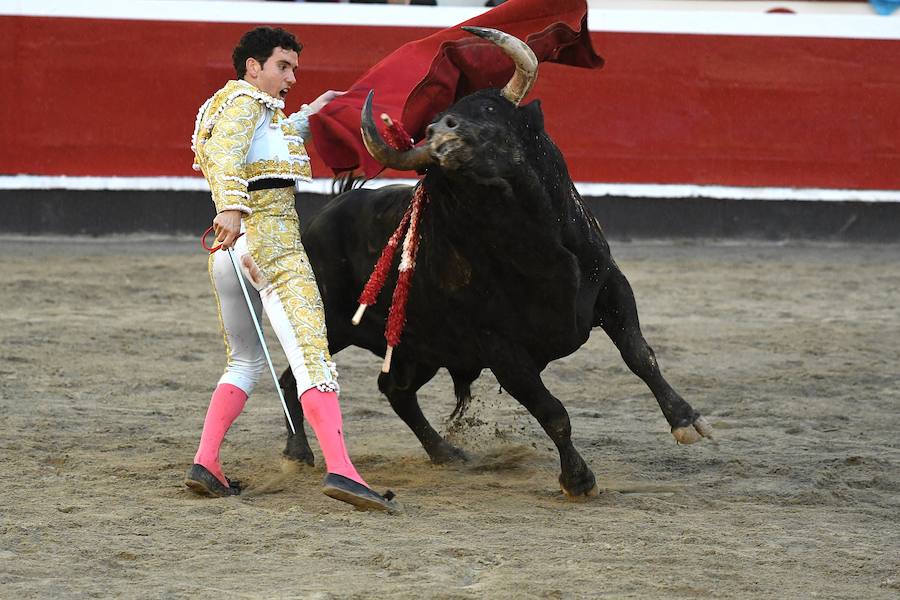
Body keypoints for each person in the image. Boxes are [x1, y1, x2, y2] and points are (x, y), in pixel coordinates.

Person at [187, 26, 394, 511]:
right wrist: (232, 208)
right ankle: (342, 470)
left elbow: (268, 140)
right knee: (313, 361)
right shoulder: (244, 101)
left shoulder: (236, 108)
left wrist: (313, 113)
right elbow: (225, 156)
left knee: (243, 361)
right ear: (252, 66)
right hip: (270, 243)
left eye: (294, 69)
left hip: (229, 254)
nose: (290, 78)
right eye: (283, 66)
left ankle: (206, 463)